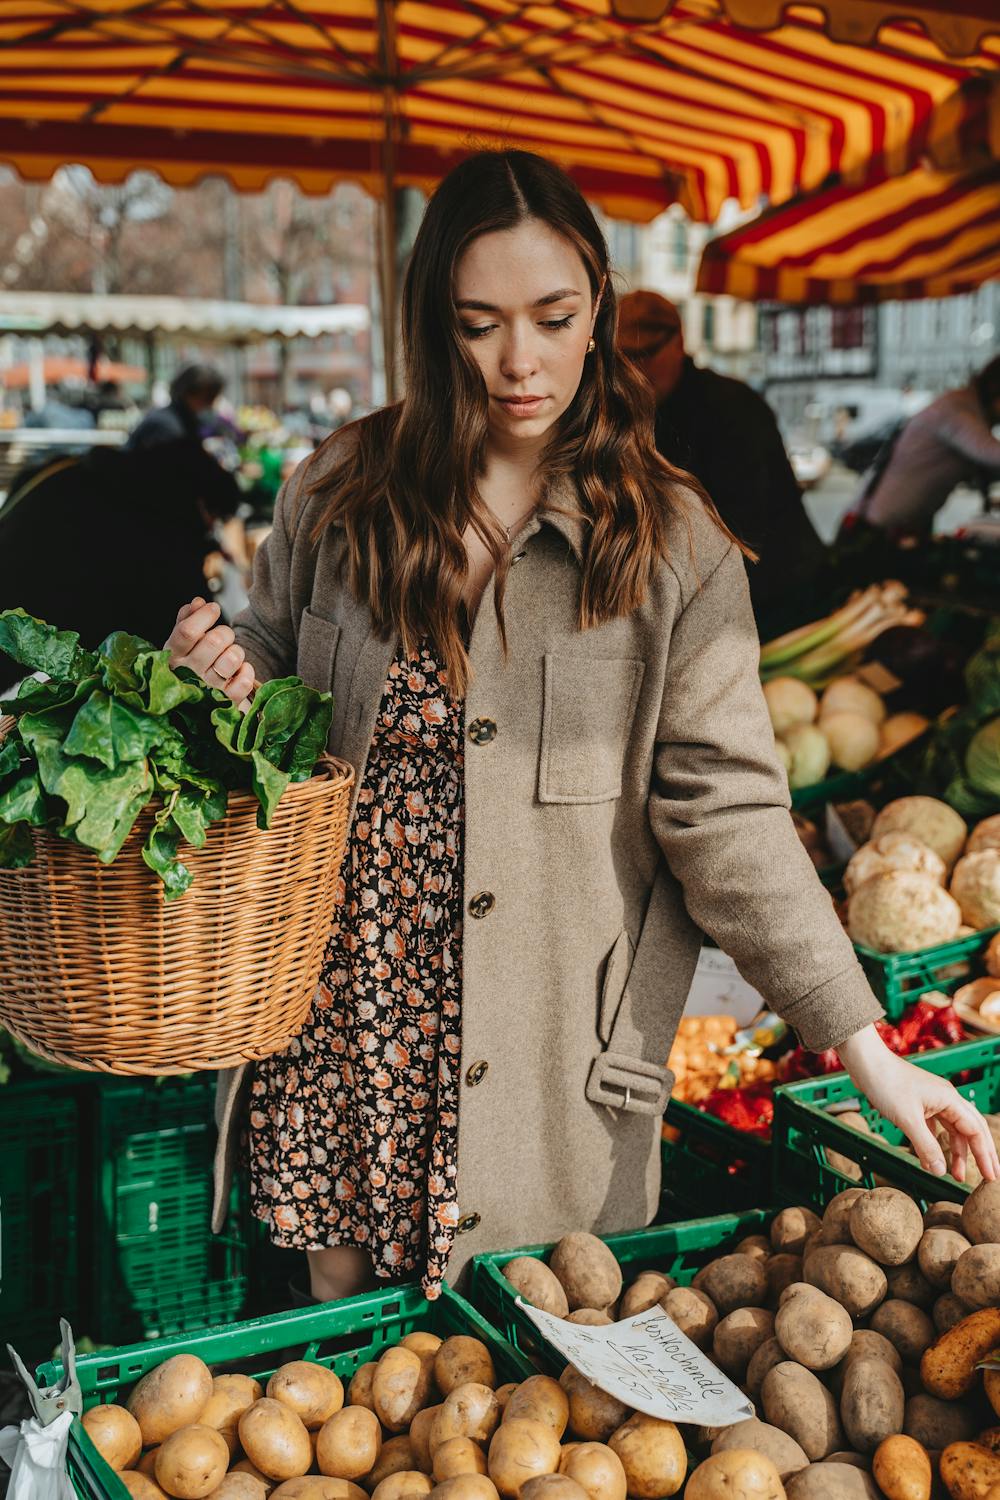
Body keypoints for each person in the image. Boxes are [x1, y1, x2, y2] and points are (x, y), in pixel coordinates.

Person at [165, 150, 997, 1306]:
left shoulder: (669, 546)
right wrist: (212, 675)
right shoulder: (338, 491)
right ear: (431, 322)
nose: (519, 362)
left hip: (545, 1060)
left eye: (554, 319)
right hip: (338, 1025)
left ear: (598, 306)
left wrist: (862, 1049)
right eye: (478, 323)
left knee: (520, 1390)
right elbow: (271, 656)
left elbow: (733, 820)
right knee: (347, 1375)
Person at [617, 290, 829, 632]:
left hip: (775, 587)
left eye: (647, 353)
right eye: (624, 357)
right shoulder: (635, 414)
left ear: (679, 341)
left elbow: (741, 518)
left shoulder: (731, 407)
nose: (636, 369)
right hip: (715, 592)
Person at [0, 441, 240, 691]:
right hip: (28, 660)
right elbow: (186, 607)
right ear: (200, 501)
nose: (212, 528)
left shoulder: (68, 472)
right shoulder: (156, 519)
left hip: (14, 636)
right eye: (215, 517)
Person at [854, 356, 1000, 532]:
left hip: (898, 524)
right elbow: (991, 453)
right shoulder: (956, 409)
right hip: (880, 527)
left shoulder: (963, 407)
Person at [126, 364, 225, 451]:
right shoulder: (167, 427)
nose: (211, 404)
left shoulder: (182, 420)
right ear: (189, 393)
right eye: (209, 397)